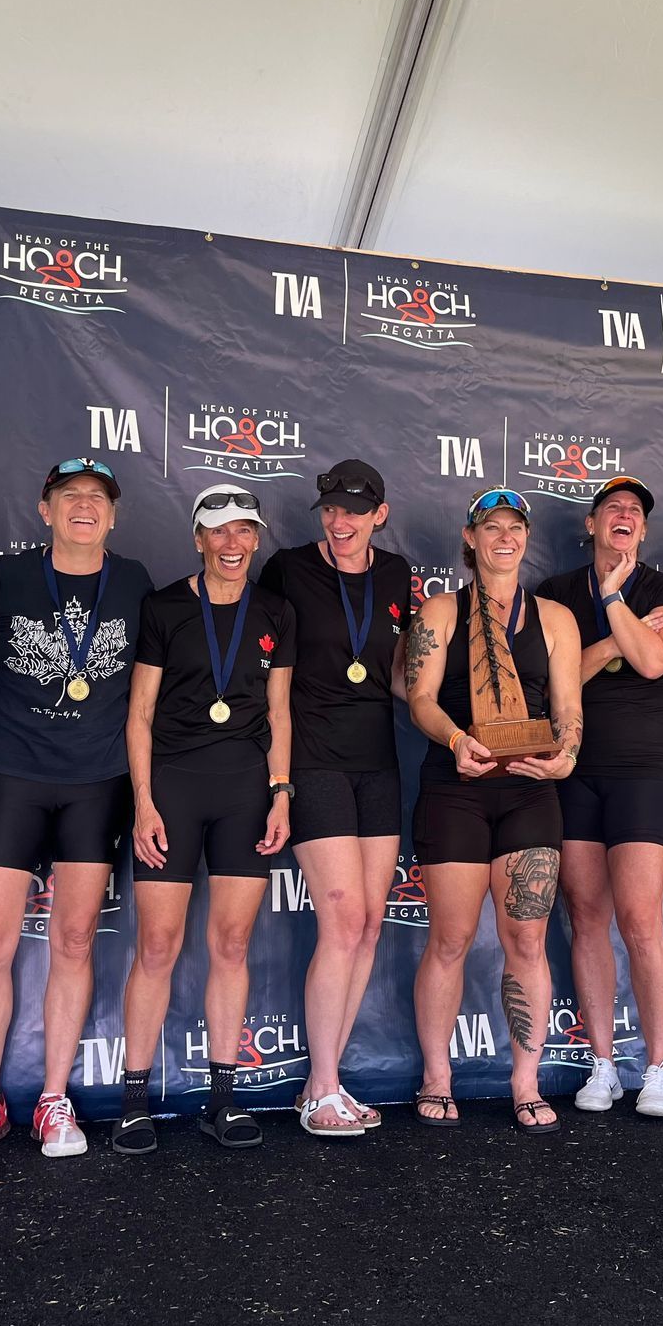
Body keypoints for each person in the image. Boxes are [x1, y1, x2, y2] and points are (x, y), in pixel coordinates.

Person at [0, 458, 152, 1159]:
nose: (83, 506)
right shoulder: (10, 574)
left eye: (96, 498)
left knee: (75, 941)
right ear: (44, 509)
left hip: (96, 781)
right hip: (13, 774)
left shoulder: (138, 583)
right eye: (69, 496)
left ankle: (55, 1100)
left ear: (112, 516)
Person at [115, 484, 295, 1153]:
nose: (231, 543)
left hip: (246, 791)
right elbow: (139, 714)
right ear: (197, 539)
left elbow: (279, 713)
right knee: (157, 947)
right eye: (217, 531)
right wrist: (144, 801)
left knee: (231, 946)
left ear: (255, 538)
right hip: (174, 789)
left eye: (243, 530)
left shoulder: (275, 610)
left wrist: (281, 792)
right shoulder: (164, 607)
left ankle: (223, 1097)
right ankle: (133, 1101)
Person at [405, 486, 582, 1133]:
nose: (503, 537)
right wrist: (455, 740)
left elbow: (567, 710)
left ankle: (525, 1079)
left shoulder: (556, 618)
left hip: (530, 787)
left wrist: (566, 754)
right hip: (457, 783)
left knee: (527, 940)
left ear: (525, 538)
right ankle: (437, 1075)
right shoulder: (441, 610)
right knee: (449, 939)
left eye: (514, 527)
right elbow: (419, 696)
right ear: (469, 538)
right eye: (490, 527)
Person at [258, 459, 411, 1136]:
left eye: (354, 509)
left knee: (371, 924)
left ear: (379, 513)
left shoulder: (396, 574)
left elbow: (403, 672)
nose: (340, 521)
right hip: (313, 758)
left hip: (377, 760)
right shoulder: (286, 570)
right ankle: (320, 1088)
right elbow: (260, 675)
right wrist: (275, 779)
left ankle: (328, 1082)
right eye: (330, 508)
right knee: (343, 920)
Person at [534, 476, 663, 1116]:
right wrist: (615, 635)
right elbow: (551, 680)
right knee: (586, 915)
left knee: (640, 919)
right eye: (612, 509)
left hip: (647, 771)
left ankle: (657, 1068)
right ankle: (602, 1064)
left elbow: (655, 662)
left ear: (643, 531)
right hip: (573, 769)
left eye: (634, 511)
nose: (624, 516)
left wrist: (614, 601)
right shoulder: (555, 593)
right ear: (592, 525)